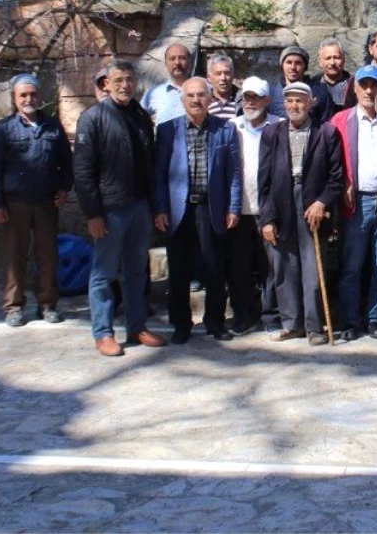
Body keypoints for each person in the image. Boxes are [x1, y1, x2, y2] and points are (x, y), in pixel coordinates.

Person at [74, 60, 166, 356]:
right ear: (106, 84)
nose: (125, 85)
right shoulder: (93, 118)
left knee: (137, 271)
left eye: (129, 79)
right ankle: (103, 332)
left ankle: (137, 326)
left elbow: (149, 164)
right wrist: (93, 214)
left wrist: (153, 206)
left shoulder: (139, 115)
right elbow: (83, 171)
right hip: (110, 210)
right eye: (119, 80)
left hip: (139, 206)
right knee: (103, 273)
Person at [153, 77, 242, 344]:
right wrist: (159, 208)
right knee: (179, 270)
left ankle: (215, 321)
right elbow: (158, 173)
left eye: (201, 95)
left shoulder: (225, 130)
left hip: (211, 207)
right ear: (182, 100)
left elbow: (234, 172)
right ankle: (181, 324)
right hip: (178, 209)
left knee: (214, 268)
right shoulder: (168, 130)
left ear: (211, 98)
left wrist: (234, 207)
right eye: (190, 95)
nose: (196, 100)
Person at [258, 82, 346, 345]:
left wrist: (322, 202)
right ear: (284, 104)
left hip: (312, 207)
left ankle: (314, 326)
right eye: (290, 101)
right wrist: (267, 218)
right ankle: (291, 324)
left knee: (312, 268)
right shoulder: (272, 133)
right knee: (285, 266)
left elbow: (336, 178)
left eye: (300, 101)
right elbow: (263, 181)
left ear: (311, 103)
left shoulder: (327, 132)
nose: (295, 106)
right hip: (281, 203)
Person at [0, 74, 73, 327]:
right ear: (15, 98)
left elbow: (66, 162)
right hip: (15, 205)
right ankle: (14, 307)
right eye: (23, 95)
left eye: (32, 94)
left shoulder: (54, 126)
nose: (28, 99)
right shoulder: (4, 129)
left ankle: (48, 304)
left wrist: (65, 188)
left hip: (46, 203)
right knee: (15, 256)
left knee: (48, 256)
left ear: (40, 96)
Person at [331, 65, 377, 340]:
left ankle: (375, 318)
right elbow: (331, 161)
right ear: (355, 89)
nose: (369, 90)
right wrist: (343, 185)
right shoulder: (340, 121)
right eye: (364, 85)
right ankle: (349, 320)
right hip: (356, 202)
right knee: (352, 265)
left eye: (374, 85)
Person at [227, 76, 281, 336]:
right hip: (239, 212)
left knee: (271, 268)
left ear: (267, 100)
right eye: (246, 97)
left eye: (256, 97)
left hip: (268, 211)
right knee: (240, 268)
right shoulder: (231, 127)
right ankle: (244, 316)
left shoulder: (279, 127)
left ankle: (271, 316)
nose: (250, 102)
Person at [141, 42, 191, 124]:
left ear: (190, 62)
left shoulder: (203, 90)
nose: (177, 63)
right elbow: (139, 120)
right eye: (172, 59)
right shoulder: (153, 94)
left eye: (182, 58)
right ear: (166, 63)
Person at [310, 38, 357, 126]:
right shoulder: (312, 87)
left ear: (344, 59)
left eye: (336, 57)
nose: (332, 62)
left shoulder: (355, 85)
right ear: (320, 62)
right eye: (328, 58)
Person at [269, 44, 312, 116]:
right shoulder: (271, 94)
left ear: (305, 66)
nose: (293, 67)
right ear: (282, 65)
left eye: (298, 63)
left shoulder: (318, 92)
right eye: (289, 62)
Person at [206, 54, 239, 121]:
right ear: (209, 77)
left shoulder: (243, 100)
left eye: (227, 73)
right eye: (218, 74)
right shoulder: (204, 101)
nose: (223, 78)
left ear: (233, 75)